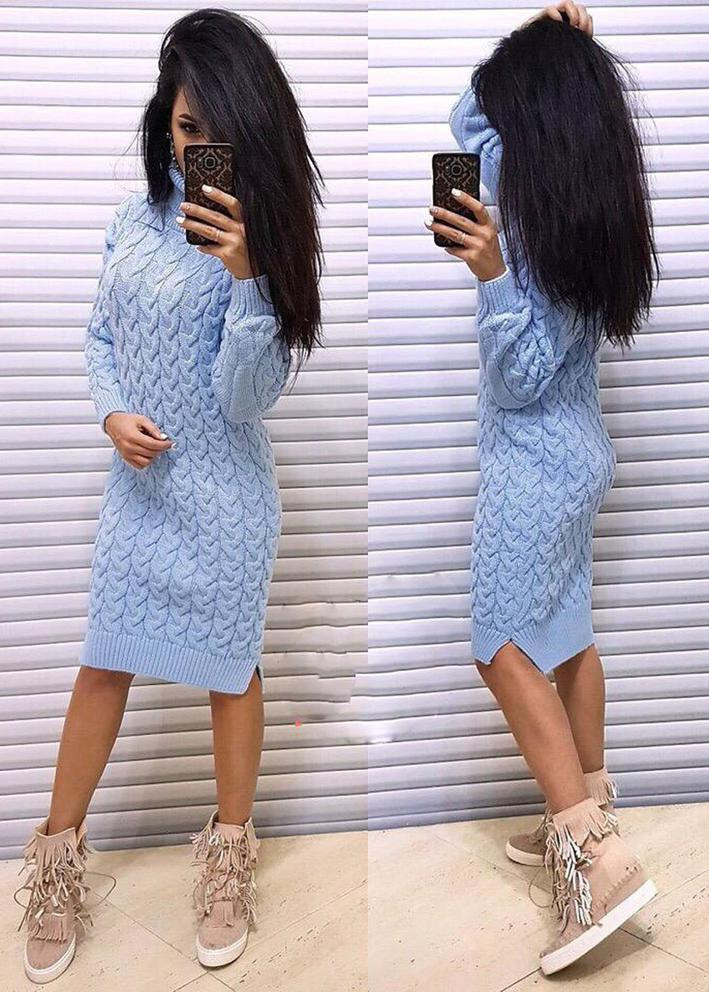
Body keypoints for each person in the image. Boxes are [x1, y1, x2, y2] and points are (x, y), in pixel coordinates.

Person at [14, 9, 323, 985]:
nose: (196, 149)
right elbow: (99, 337)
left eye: (215, 131)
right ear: (166, 120)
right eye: (186, 127)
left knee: (231, 673)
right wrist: (111, 414)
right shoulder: (131, 220)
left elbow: (244, 400)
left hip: (225, 503)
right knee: (103, 664)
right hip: (140, 497)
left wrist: (247, 278)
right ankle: (56, 863)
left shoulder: (260, 243)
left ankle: (228, 862)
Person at [426, 1, 659, 975]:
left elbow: (520, 375)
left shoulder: (543, 231)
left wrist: (487, 271)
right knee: (566, 633)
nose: (492, 126)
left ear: (540, 121)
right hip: (574, 457)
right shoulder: (569, 201)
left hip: (536, 462)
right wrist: (541, 42)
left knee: (499, 642)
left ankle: (593, 857)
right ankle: (588, 796)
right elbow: (460, 126)